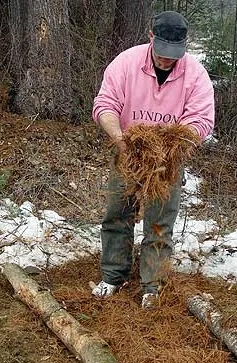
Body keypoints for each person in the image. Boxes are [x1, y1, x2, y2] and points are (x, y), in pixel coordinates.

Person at [92, 10, 214, 308]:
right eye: (162, 52)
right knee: (117, 213)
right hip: (129, 148)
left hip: (168, 158)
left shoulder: (195, 74)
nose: (166, 59)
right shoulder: (126, 63)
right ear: (150, 38)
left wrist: (176, 145)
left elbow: (201, 120)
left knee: (160, 222)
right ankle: (112, 275)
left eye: (174, 54)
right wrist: (120, 139)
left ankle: (152, 284)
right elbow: (105, 104)